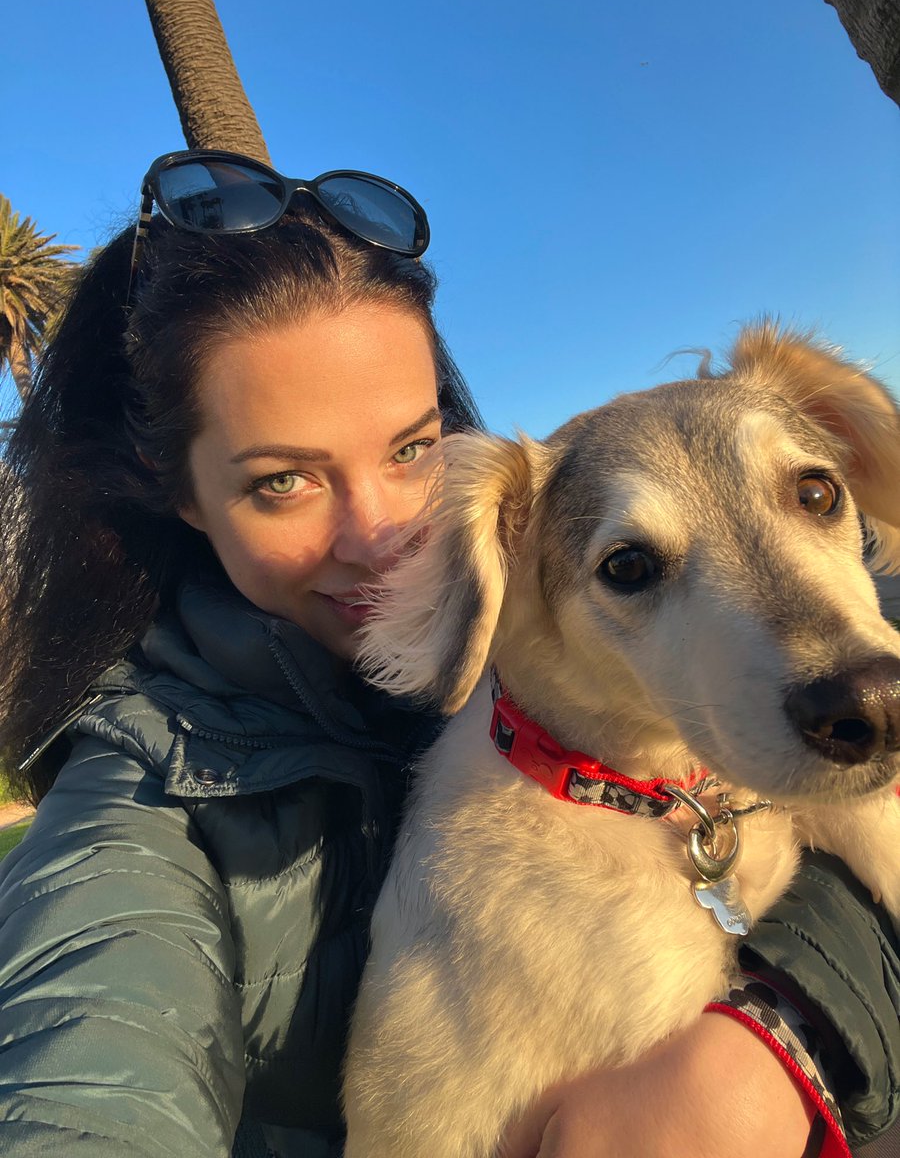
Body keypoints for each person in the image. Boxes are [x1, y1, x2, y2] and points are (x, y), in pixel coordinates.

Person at [0, 150, 895, 1158]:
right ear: (184, 497)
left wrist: (782, 1038)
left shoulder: (537, 661)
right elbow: (81, 1072)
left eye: (412, 448)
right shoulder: (131, 821)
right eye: (282, 482)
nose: (385, 537)